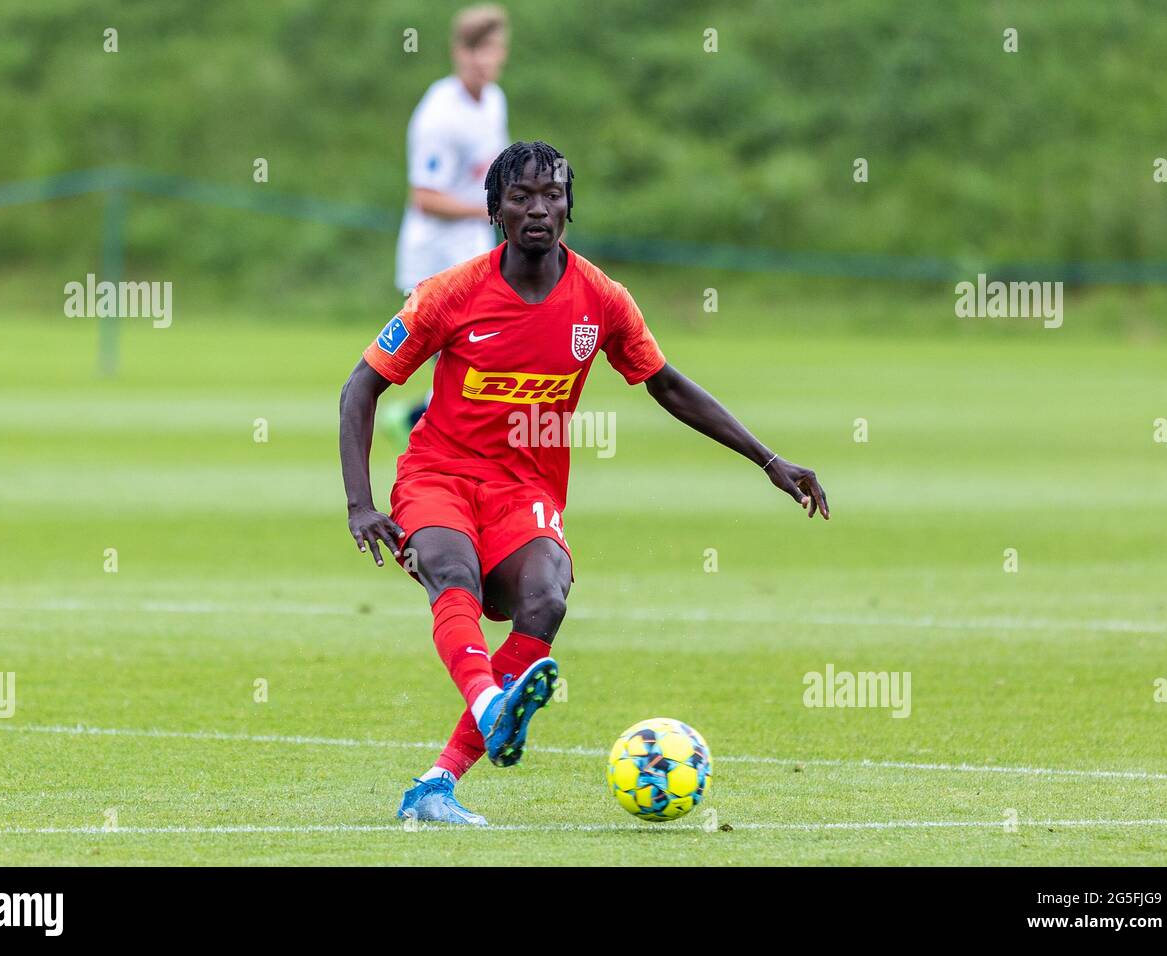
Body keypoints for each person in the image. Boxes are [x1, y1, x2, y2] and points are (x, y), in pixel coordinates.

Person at [339, 141, 830, 826]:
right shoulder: (449, 295)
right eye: (521, 197)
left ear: (570, 206)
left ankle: (436, 785)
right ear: (494, 211)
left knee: (545, 599)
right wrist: (361, 504)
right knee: (453, 575)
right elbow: (362, 386)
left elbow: (666, 383)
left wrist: (768, 459)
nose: (538, 209)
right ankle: (491, 706)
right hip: (439, 475)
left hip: (524, 489)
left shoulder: (599, 299)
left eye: (552, 195)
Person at [384, 4, 510, 442]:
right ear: (458, 52)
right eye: (474, 50)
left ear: (502, 52)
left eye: (490, 49)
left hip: (473, 249)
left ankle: (415, 422)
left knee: (482, 354)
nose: (482, 60)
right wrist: (493, 210)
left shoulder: (494, 102)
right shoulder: (438, 113)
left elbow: (491, 173)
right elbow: (424, 197)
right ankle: (421, 429)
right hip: (433, 253)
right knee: (464, 358)